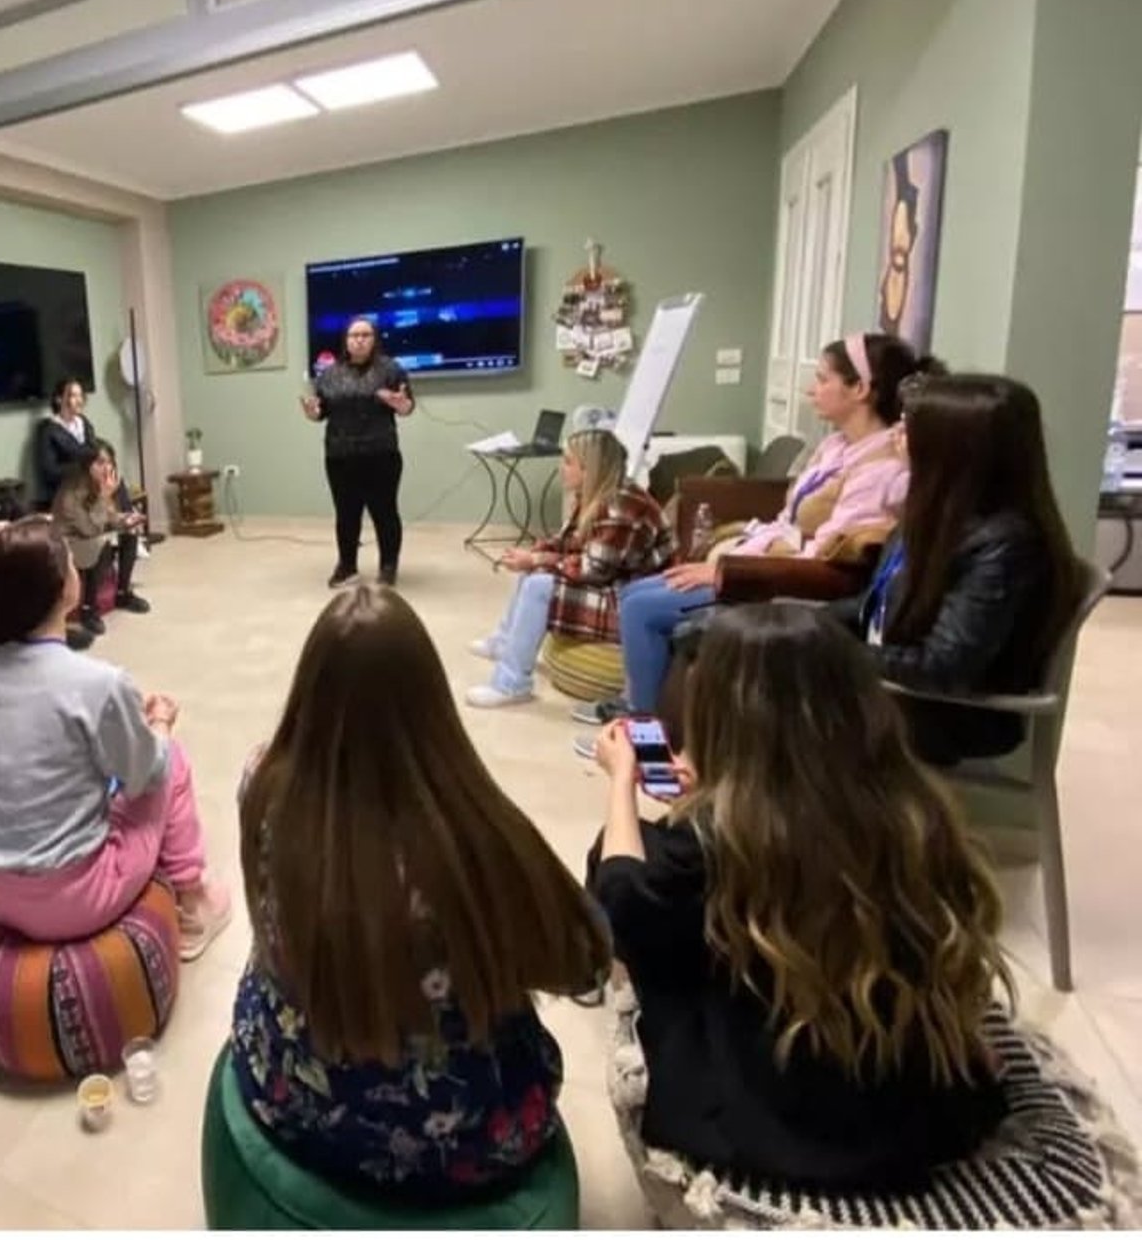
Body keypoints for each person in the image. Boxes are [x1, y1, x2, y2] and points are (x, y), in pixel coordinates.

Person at [587, 603, 1009, 1189]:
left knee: (629, 867)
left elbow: (625, 904)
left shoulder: (719, 842)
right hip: (918, 1110)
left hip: (782, 1121)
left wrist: (621, 784)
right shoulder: (916, 809)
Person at [234, 583, 609, 1200]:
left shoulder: (261, 783)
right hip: (455, 1142)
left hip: (283, 1086)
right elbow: (586, 964)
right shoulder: (472, 842)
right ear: (430, 703)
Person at [577, 332, 936, 750]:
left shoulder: (881, 468)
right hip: (764, 563)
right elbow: (790, 520)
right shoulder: (837, 446)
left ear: (859, 389)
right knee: (639, 589)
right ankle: (639, 704)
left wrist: (730, 571)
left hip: (789, 586)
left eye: (821, 380)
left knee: (642, 607)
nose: (810, 390)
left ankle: (648, 740)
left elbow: (830, 555)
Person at [0, 517, 230, 957]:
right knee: (172, 760)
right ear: (64, 588)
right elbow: (147, 772)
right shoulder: (98, 683)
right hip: (74, 898)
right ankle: (193, 903)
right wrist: (158, 723)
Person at [839, 373, 1082, 766]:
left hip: (947, 711)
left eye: (910, 426)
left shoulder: (1005, 544)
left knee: (763, 692)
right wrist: (792, 620)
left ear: (952, 448)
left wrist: (825, 649)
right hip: (894, 682)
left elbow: (942, 667)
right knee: (743, 652)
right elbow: (873, 608)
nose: (897, 433)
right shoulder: (932, 518)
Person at [467, 430, 671, 708]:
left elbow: (595, 569)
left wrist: (538, 561)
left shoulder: (621, 507)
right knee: (534, 569)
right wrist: (537, 553)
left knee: (540, 586)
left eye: (567, 461)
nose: (561, 468)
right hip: (615, 582)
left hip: (630, 599)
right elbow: (570, 543)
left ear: (589, 469)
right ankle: (504, 643)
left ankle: (512, 684)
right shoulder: (596, 494)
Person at [300, 318, 414, 588]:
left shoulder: (391, 369)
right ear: (346, 340)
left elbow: (408, 407)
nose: (359, 339)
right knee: (346, 514)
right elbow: (322, 411)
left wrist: (401, 405)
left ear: (374, 339)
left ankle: (388, 566)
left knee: (385, 512)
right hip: (340, 456)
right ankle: (347, 565)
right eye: (354, 335)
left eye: (365, 334)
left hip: (381, 455)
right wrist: (313, 414)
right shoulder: (329, 374)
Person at [51, 444, 150, 637]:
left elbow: (108, 518)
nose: (106, 468)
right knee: (104, 543)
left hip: (92, 537)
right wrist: (105, 498)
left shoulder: (102, 484)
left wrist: (125, 519)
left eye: (109, 462)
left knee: (129, 535)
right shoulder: (70, 492)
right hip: (70, 544)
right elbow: (90, 529)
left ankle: (123, 593)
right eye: (100, 462)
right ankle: (88, 608)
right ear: (87, 465)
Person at [32, 377, 95, 510]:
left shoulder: (84, 422)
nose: (79, 401)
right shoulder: (48, 430)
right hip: (64, 494)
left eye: (80, 395)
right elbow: (50, 471)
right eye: (73, 396)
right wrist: (82, 467)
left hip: (88, 488)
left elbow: (94, 451)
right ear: (59, 399)